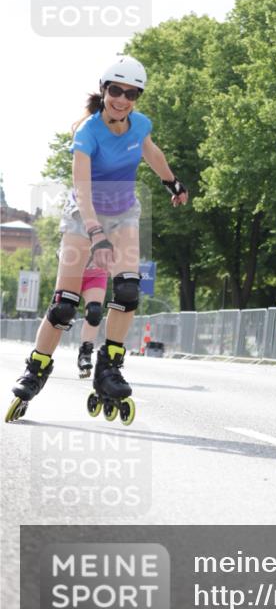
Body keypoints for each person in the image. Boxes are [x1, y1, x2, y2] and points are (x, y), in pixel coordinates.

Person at [5, 55, 188, 424]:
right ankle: (36, 369)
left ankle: (109, 367)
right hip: (83, 215)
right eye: (116, 91)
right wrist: (96, 233)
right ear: (104, 90)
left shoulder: (140, 125)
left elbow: (151, 152)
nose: (122, 100)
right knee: (64, 305)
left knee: (128, 291)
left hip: (123, 213)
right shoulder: (87, 133)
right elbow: (82, 190)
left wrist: (172, 182)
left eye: (131, 94)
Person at [75, 265, 109, 378]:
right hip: (71, 270)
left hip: (97, 271)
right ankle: (40, 358)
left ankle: (85, 354)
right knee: (60, 311)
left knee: (94, 312)